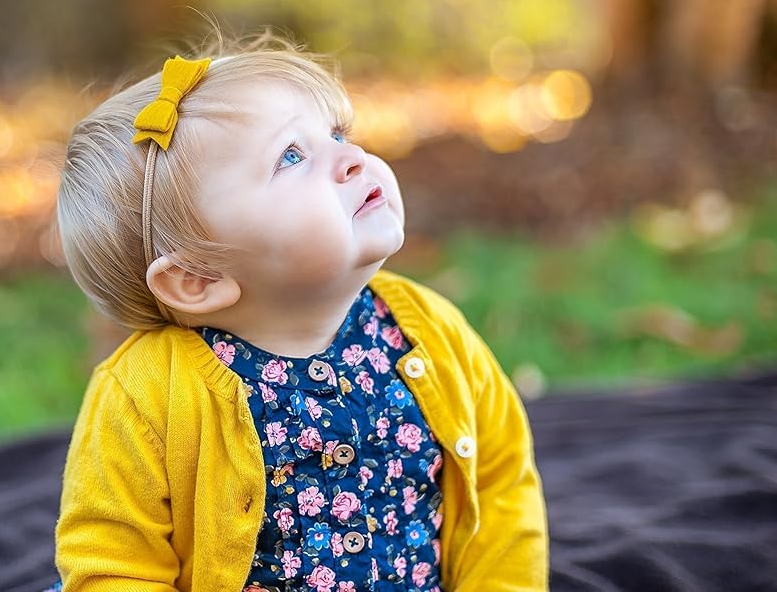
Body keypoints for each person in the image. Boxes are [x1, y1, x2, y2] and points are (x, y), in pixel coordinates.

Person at [49, 30, 548, 591]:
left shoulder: (427, 332)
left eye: (337, 133)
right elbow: (112, 564)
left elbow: (502, 477)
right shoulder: (144, 396)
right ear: (197, 278)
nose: (353, 158)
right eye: (291, 155)